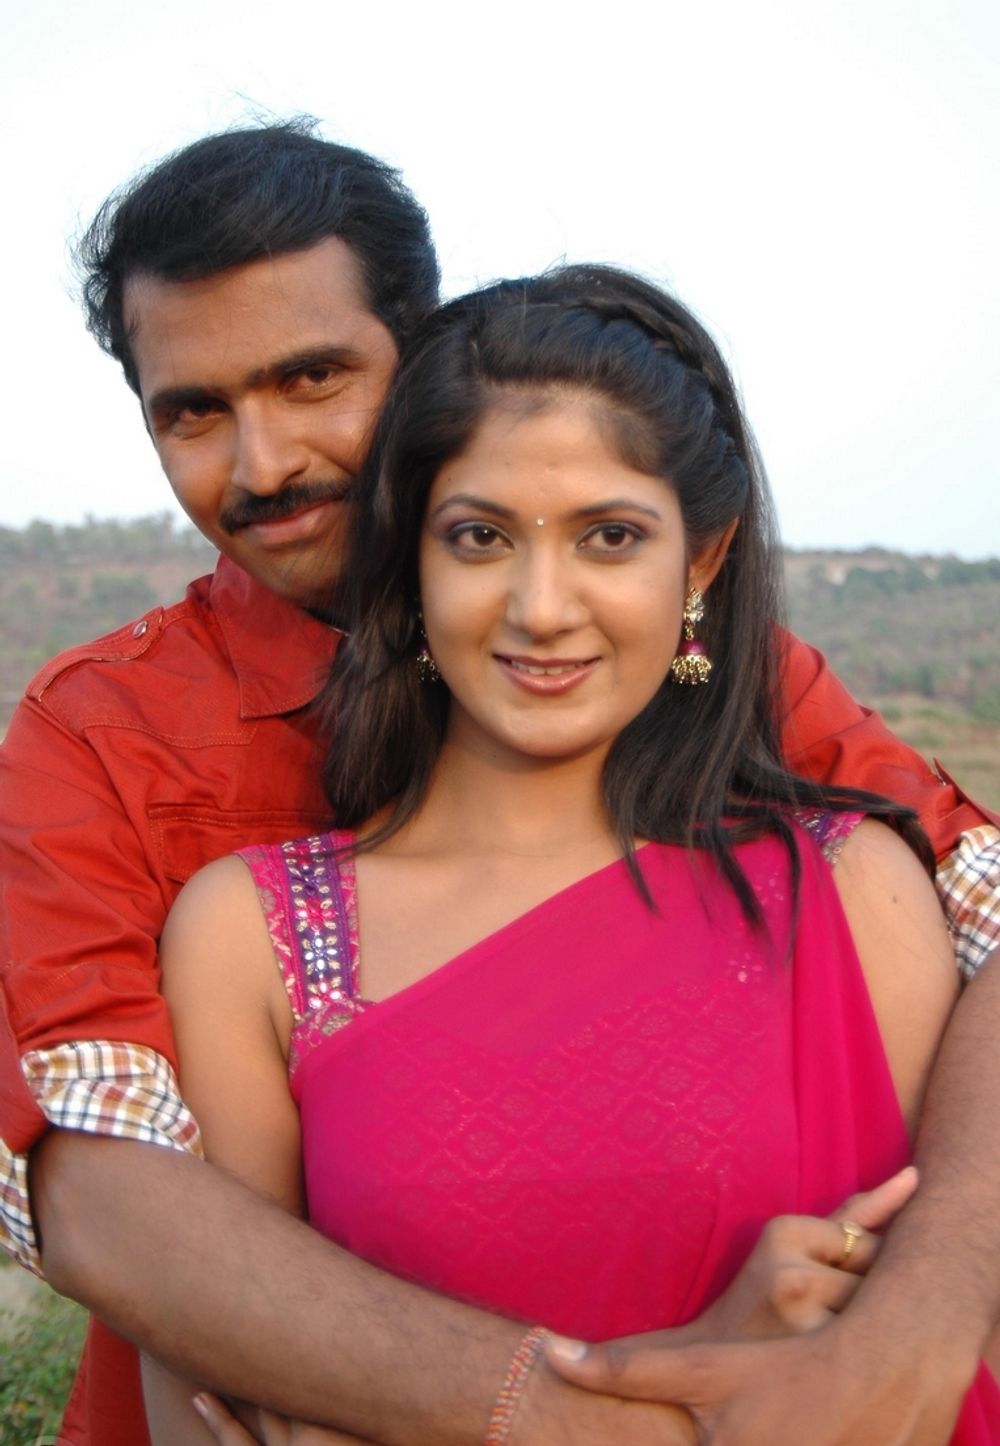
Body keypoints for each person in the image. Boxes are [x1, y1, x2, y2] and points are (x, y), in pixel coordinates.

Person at [0, 119, 997, 1446]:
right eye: (195, 410)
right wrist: (624, 1422)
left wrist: (922, 1316)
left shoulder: (711, 688)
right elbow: (100, 1187)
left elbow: (986, 914)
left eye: (312, 379)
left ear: (418, 361)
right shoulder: (98, 736)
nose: (263, 463)